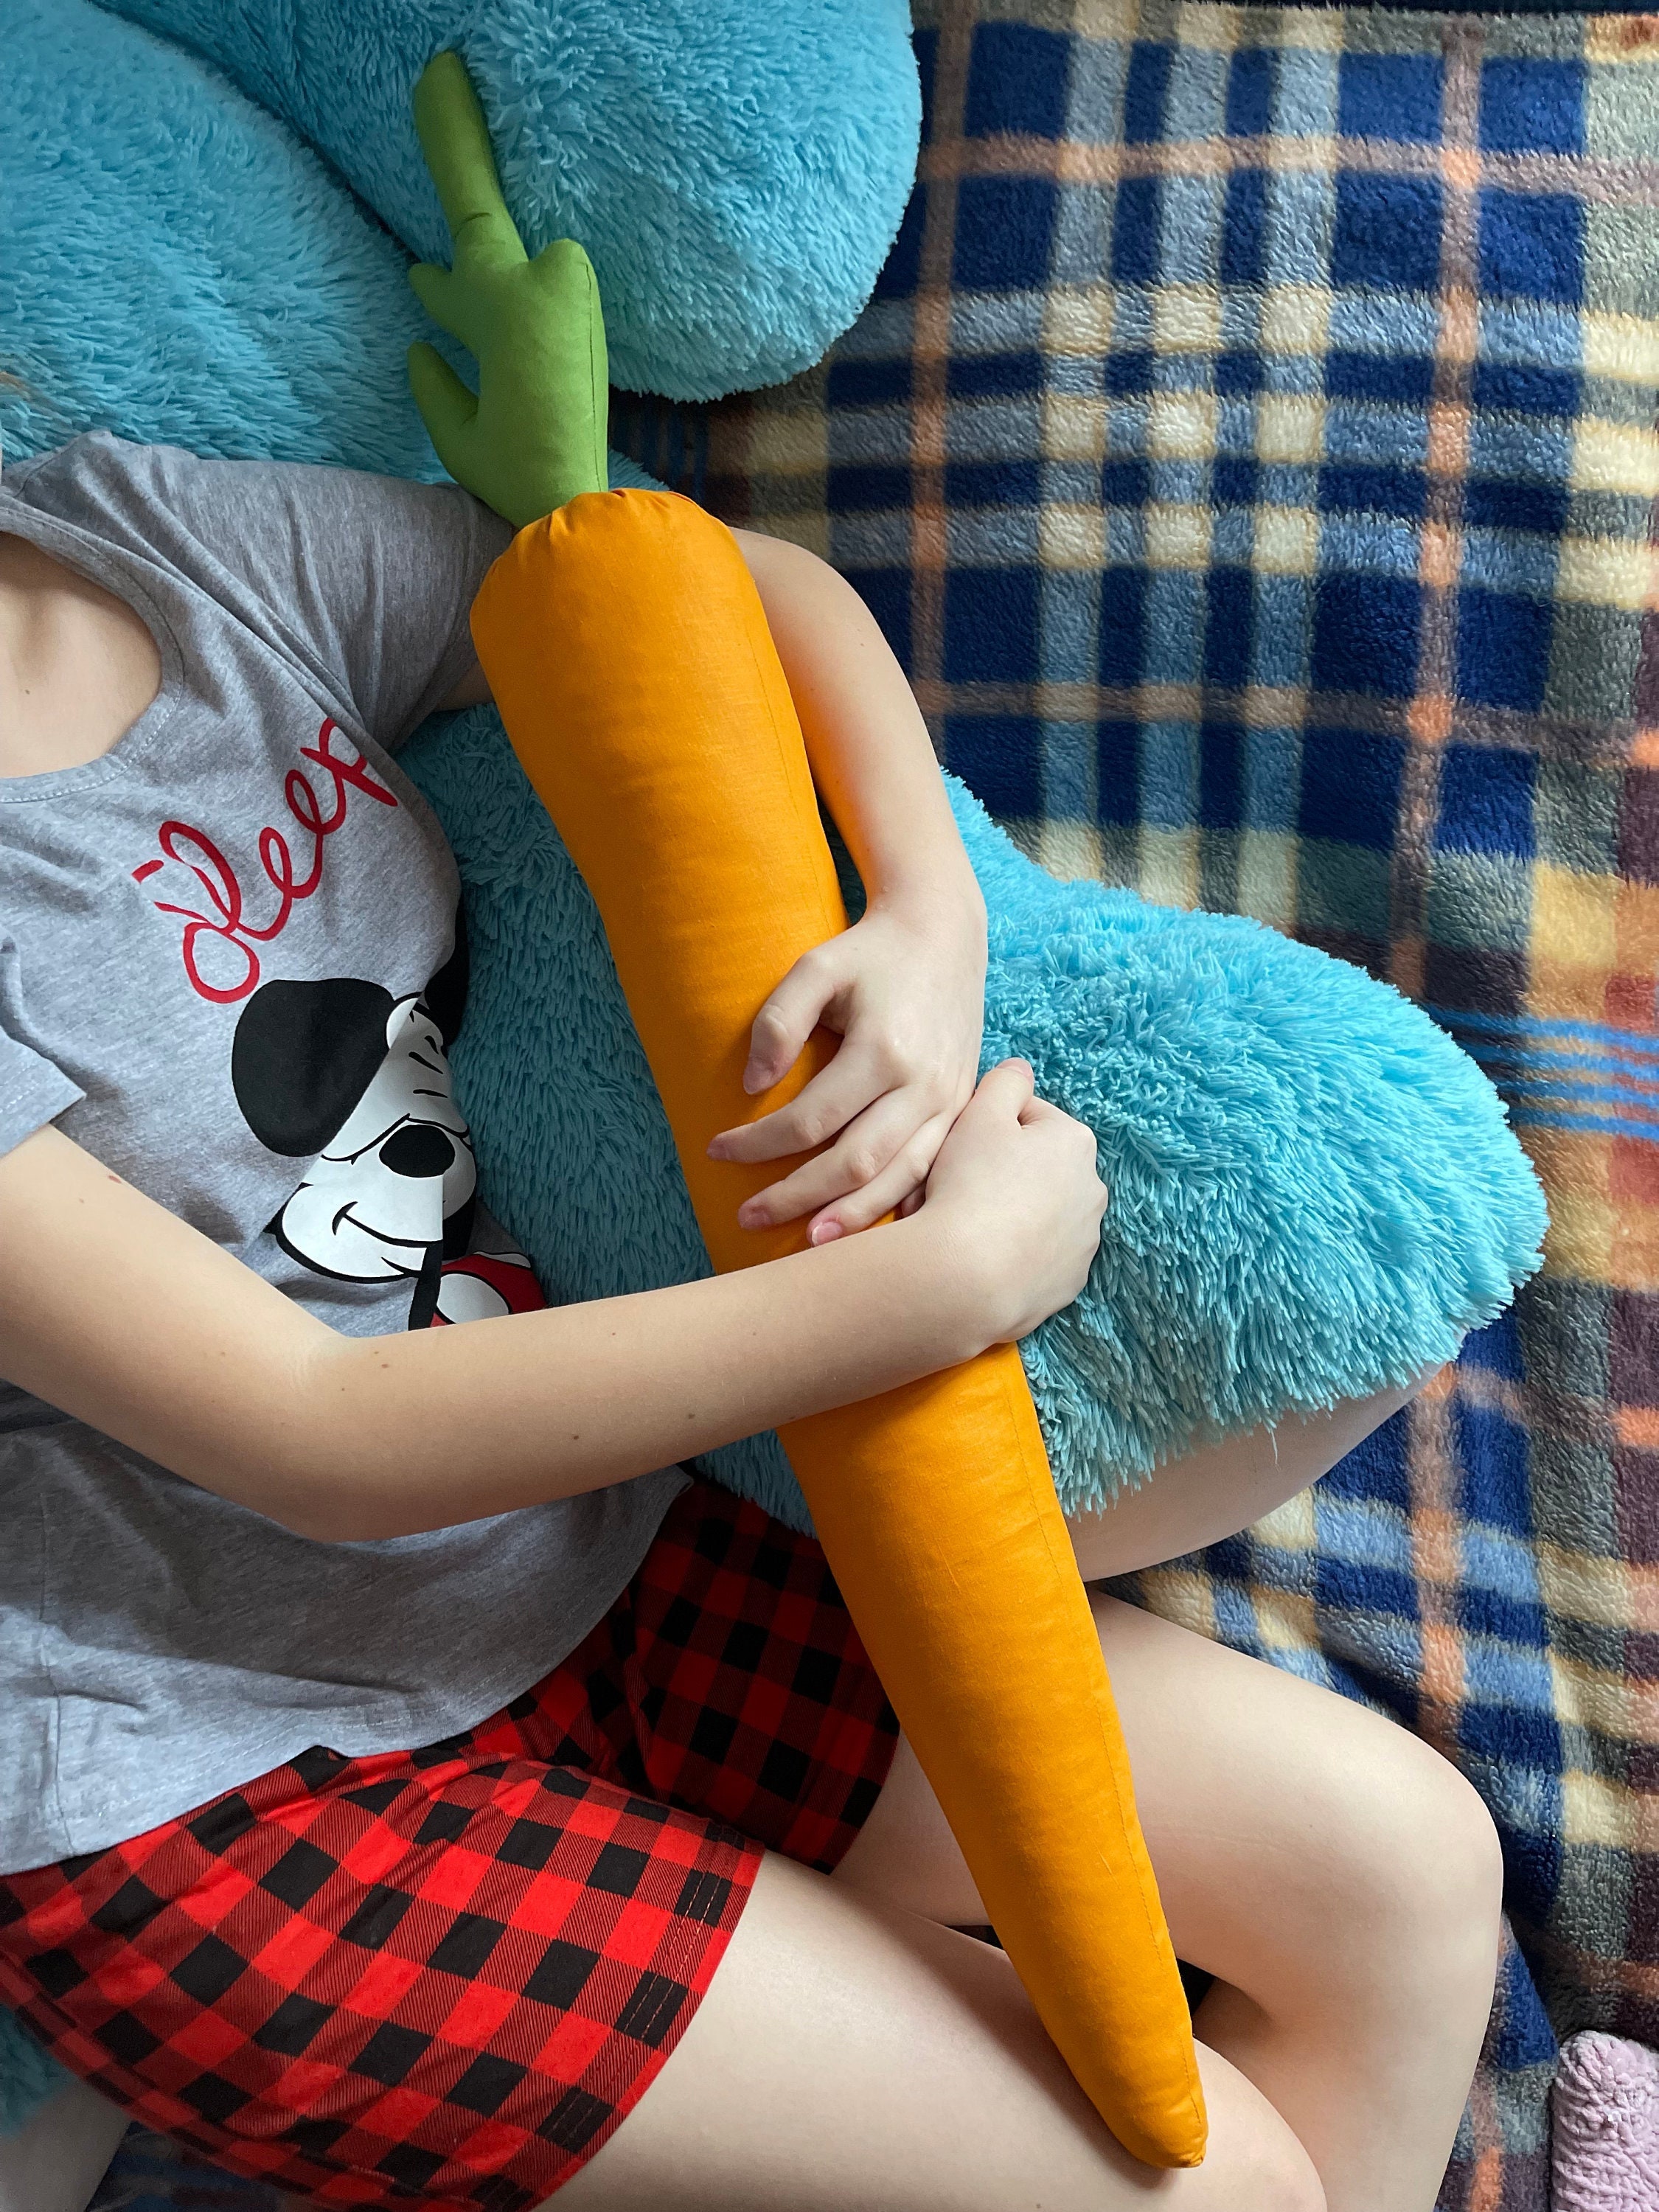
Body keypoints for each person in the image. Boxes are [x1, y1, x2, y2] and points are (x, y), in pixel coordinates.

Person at [0, 76, 1502, 2212]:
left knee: (1401, 1879)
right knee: (1221, 2187)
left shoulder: (165, 544)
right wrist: (940, 1283)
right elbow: (310, 1420)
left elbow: (673, 589)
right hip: (221, 1794)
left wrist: (923, 917)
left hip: (586, 1578)